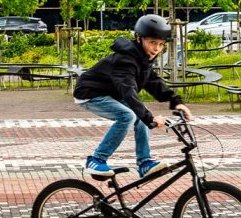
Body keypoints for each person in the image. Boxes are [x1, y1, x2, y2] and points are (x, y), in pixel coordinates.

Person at [73, 14, 192, 179]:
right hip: (90, 93)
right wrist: (150, 118)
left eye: (160, 44)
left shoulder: (142, 60)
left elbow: (154, 82)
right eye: (152, 42)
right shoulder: (125, 60)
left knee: (141, 113)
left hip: (111, 93)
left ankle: (144, 163)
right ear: (138, 38)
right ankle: (96, 159)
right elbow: (128, 91)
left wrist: (175, 101)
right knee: (128, 115)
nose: (156, 48)